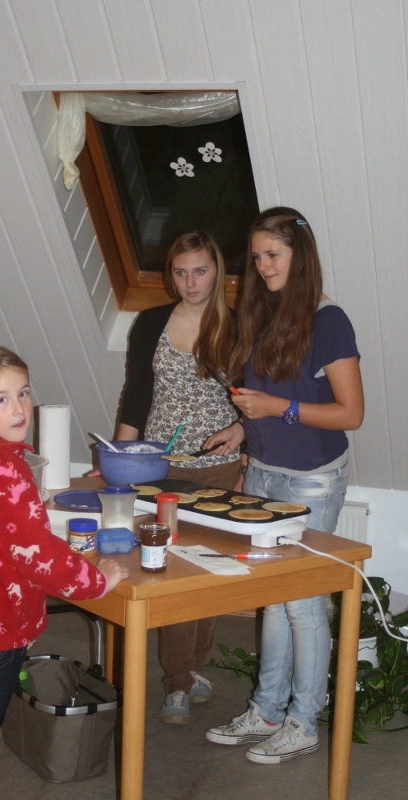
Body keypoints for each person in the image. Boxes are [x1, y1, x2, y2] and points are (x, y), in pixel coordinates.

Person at [0, 346, 130, 799]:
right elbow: (39, 556)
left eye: (23, 392)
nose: (19, 407)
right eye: (2, 399)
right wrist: (97, 580)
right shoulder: (7, 469)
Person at [204, 207, 364, 763]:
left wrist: (276, 408)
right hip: (265, 472)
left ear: (301, 254)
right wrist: (241, 428)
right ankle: (268, 711)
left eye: (273, 255)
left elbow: (350, 413)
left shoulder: (329, 320)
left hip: (312, 480)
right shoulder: (266, 314)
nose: (263, 266)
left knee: (303, 604)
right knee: (272, 599)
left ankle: (304, 721)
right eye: (257, 258)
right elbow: (268, 400)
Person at [118, 231, 245, 724]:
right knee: (170, 569)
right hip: (160, 468)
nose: (190, 282)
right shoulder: (151, 323)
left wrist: (246, 466)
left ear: (217, 272)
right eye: (180, 272)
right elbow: (136, 395)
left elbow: (249, 404)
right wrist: (121, 459)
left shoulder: (237, 327)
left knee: (207, 571)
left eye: (200, 271)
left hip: (219, 469)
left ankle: (189, 669)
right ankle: (177, 681)